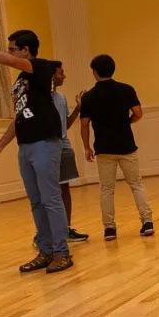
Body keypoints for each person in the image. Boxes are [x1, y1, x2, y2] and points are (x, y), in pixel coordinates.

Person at [0, 30, 74, 273]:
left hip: (45, 143)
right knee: (36, 202)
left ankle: (61, 252)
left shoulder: (42, 67)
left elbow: (10, 61)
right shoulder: (21, 81)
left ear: (26, 50)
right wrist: (2, 143)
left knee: (50, 199)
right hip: (25, 145)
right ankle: (45, 251)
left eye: (13, 48)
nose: (9, 53)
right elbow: (20, 116)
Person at [76, 54, 154, 240]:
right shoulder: (126, 89)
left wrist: (87, 147)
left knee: (107, 189)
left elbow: (84, 124)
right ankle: (147, 221)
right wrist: (127, 122)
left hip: (103, 148)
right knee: (136, 184)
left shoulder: (89, 96)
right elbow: (138, 113)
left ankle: (109, 228)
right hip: (126, 144)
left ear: (94, 72)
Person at [52, 63, 89, 244]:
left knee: (64, 188)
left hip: (64, 147)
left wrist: (77, 109)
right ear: (52, 76)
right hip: (48, 148)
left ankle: (65, 229)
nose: (64, 76)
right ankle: (48, 232)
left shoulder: (61, 98)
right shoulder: (41, 98)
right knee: (49, 190)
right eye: (61, 73)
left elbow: (65, 125)